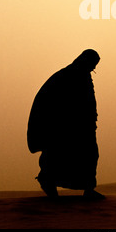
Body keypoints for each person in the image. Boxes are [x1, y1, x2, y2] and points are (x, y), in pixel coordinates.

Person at [27, 49, 104, 200]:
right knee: (58, 157)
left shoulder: (82, 76)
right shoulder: (67, 76)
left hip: (81, 127)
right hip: (64, 128)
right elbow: (51, 103)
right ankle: (49, 185)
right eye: (92, 64)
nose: (93, 68)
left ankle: (88, 189)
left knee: (88, 156)